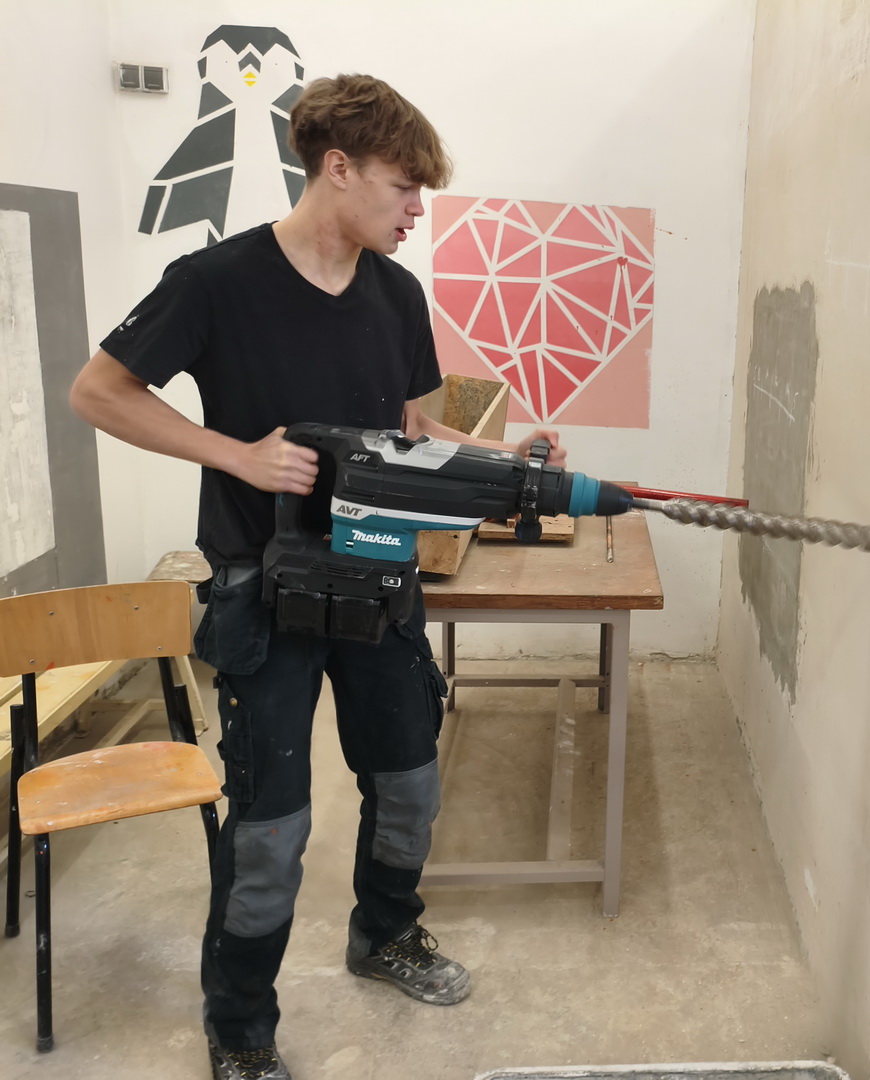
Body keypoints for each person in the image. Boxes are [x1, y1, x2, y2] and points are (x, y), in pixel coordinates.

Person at [70, 74, 564, 1080]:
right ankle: (241, 1027)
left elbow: (416, 430)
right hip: (264, 589)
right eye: (403, 186)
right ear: (338, 168)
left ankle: (385, 934)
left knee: (410, 786)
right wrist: (236, 456)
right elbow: (99, 391)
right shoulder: (216, 282)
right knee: (271, 827)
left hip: (379, 579)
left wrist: (504, 461)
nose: (417, 208)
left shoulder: (397, 293)